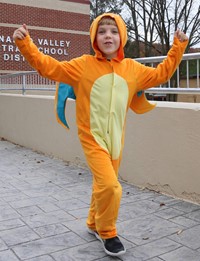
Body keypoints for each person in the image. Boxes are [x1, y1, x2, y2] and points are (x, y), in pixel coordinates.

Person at [13, 13, 188, 257]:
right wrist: (25, 44)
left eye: (114, 31)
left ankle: (93, 222)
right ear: (94, 37)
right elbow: (49, 68)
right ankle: (107, 231)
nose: (108, 35)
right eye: (102, 31)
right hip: (92, 137)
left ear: (122, 37)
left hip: (116, 139)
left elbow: (161, 74)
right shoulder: (82, 65)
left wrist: (178, 46)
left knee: (102, 185)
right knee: (111, 187)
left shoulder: (132, 69)